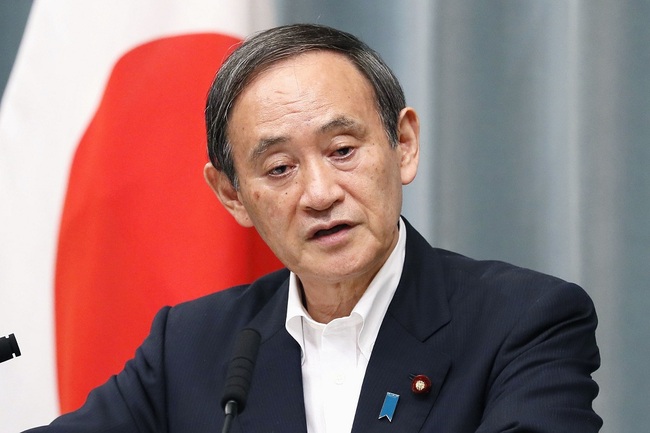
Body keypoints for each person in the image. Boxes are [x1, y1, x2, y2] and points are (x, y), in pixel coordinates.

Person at [25, 23, 602, 432]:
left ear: (402, 145)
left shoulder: (524, 321)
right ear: (233, 196)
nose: (320, 194)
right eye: (279, 169)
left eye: (343, 150)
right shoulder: (192, 347)